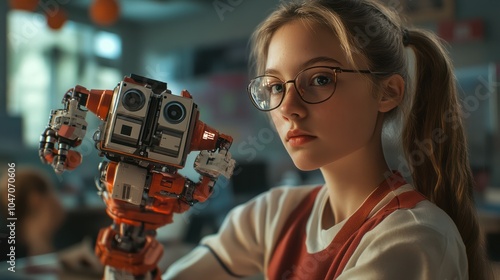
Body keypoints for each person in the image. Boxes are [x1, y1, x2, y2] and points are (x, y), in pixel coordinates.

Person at [163, 0, 492, 279]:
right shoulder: (274, 213)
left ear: (388, 92)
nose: (289, 108)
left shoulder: (413, 237)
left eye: (320, 78)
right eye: (277, 86)